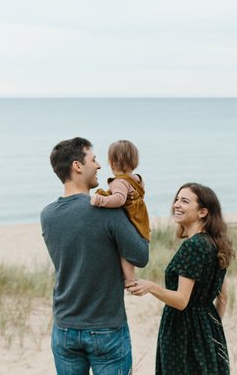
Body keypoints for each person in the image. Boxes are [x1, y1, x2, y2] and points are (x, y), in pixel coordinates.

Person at [41, 137, 150, 375]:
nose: (99, 166)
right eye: (93, 159)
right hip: (106, 328)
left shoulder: (47, 215)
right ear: (77, 166)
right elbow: (140, 256)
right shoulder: (106, 211)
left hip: (64, 327)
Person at [127, 183, 233, 375]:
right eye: (177, 199)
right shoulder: (216, 243)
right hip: (209, 327)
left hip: (182, 330)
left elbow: (182, 301)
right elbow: (223, 298)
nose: (176, 204)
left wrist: (151, 287)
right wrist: (209, 330)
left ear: (202, 212)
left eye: (185, 201)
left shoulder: (193, 246)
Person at [91, 139, 151, 285]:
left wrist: (100, 200)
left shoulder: (119, 182)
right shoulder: (136, 179)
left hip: (130, 220)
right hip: (139, 219)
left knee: (123, 251)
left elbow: (119, 200)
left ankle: (129, 280)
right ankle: (129, 277)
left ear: (112, 162)